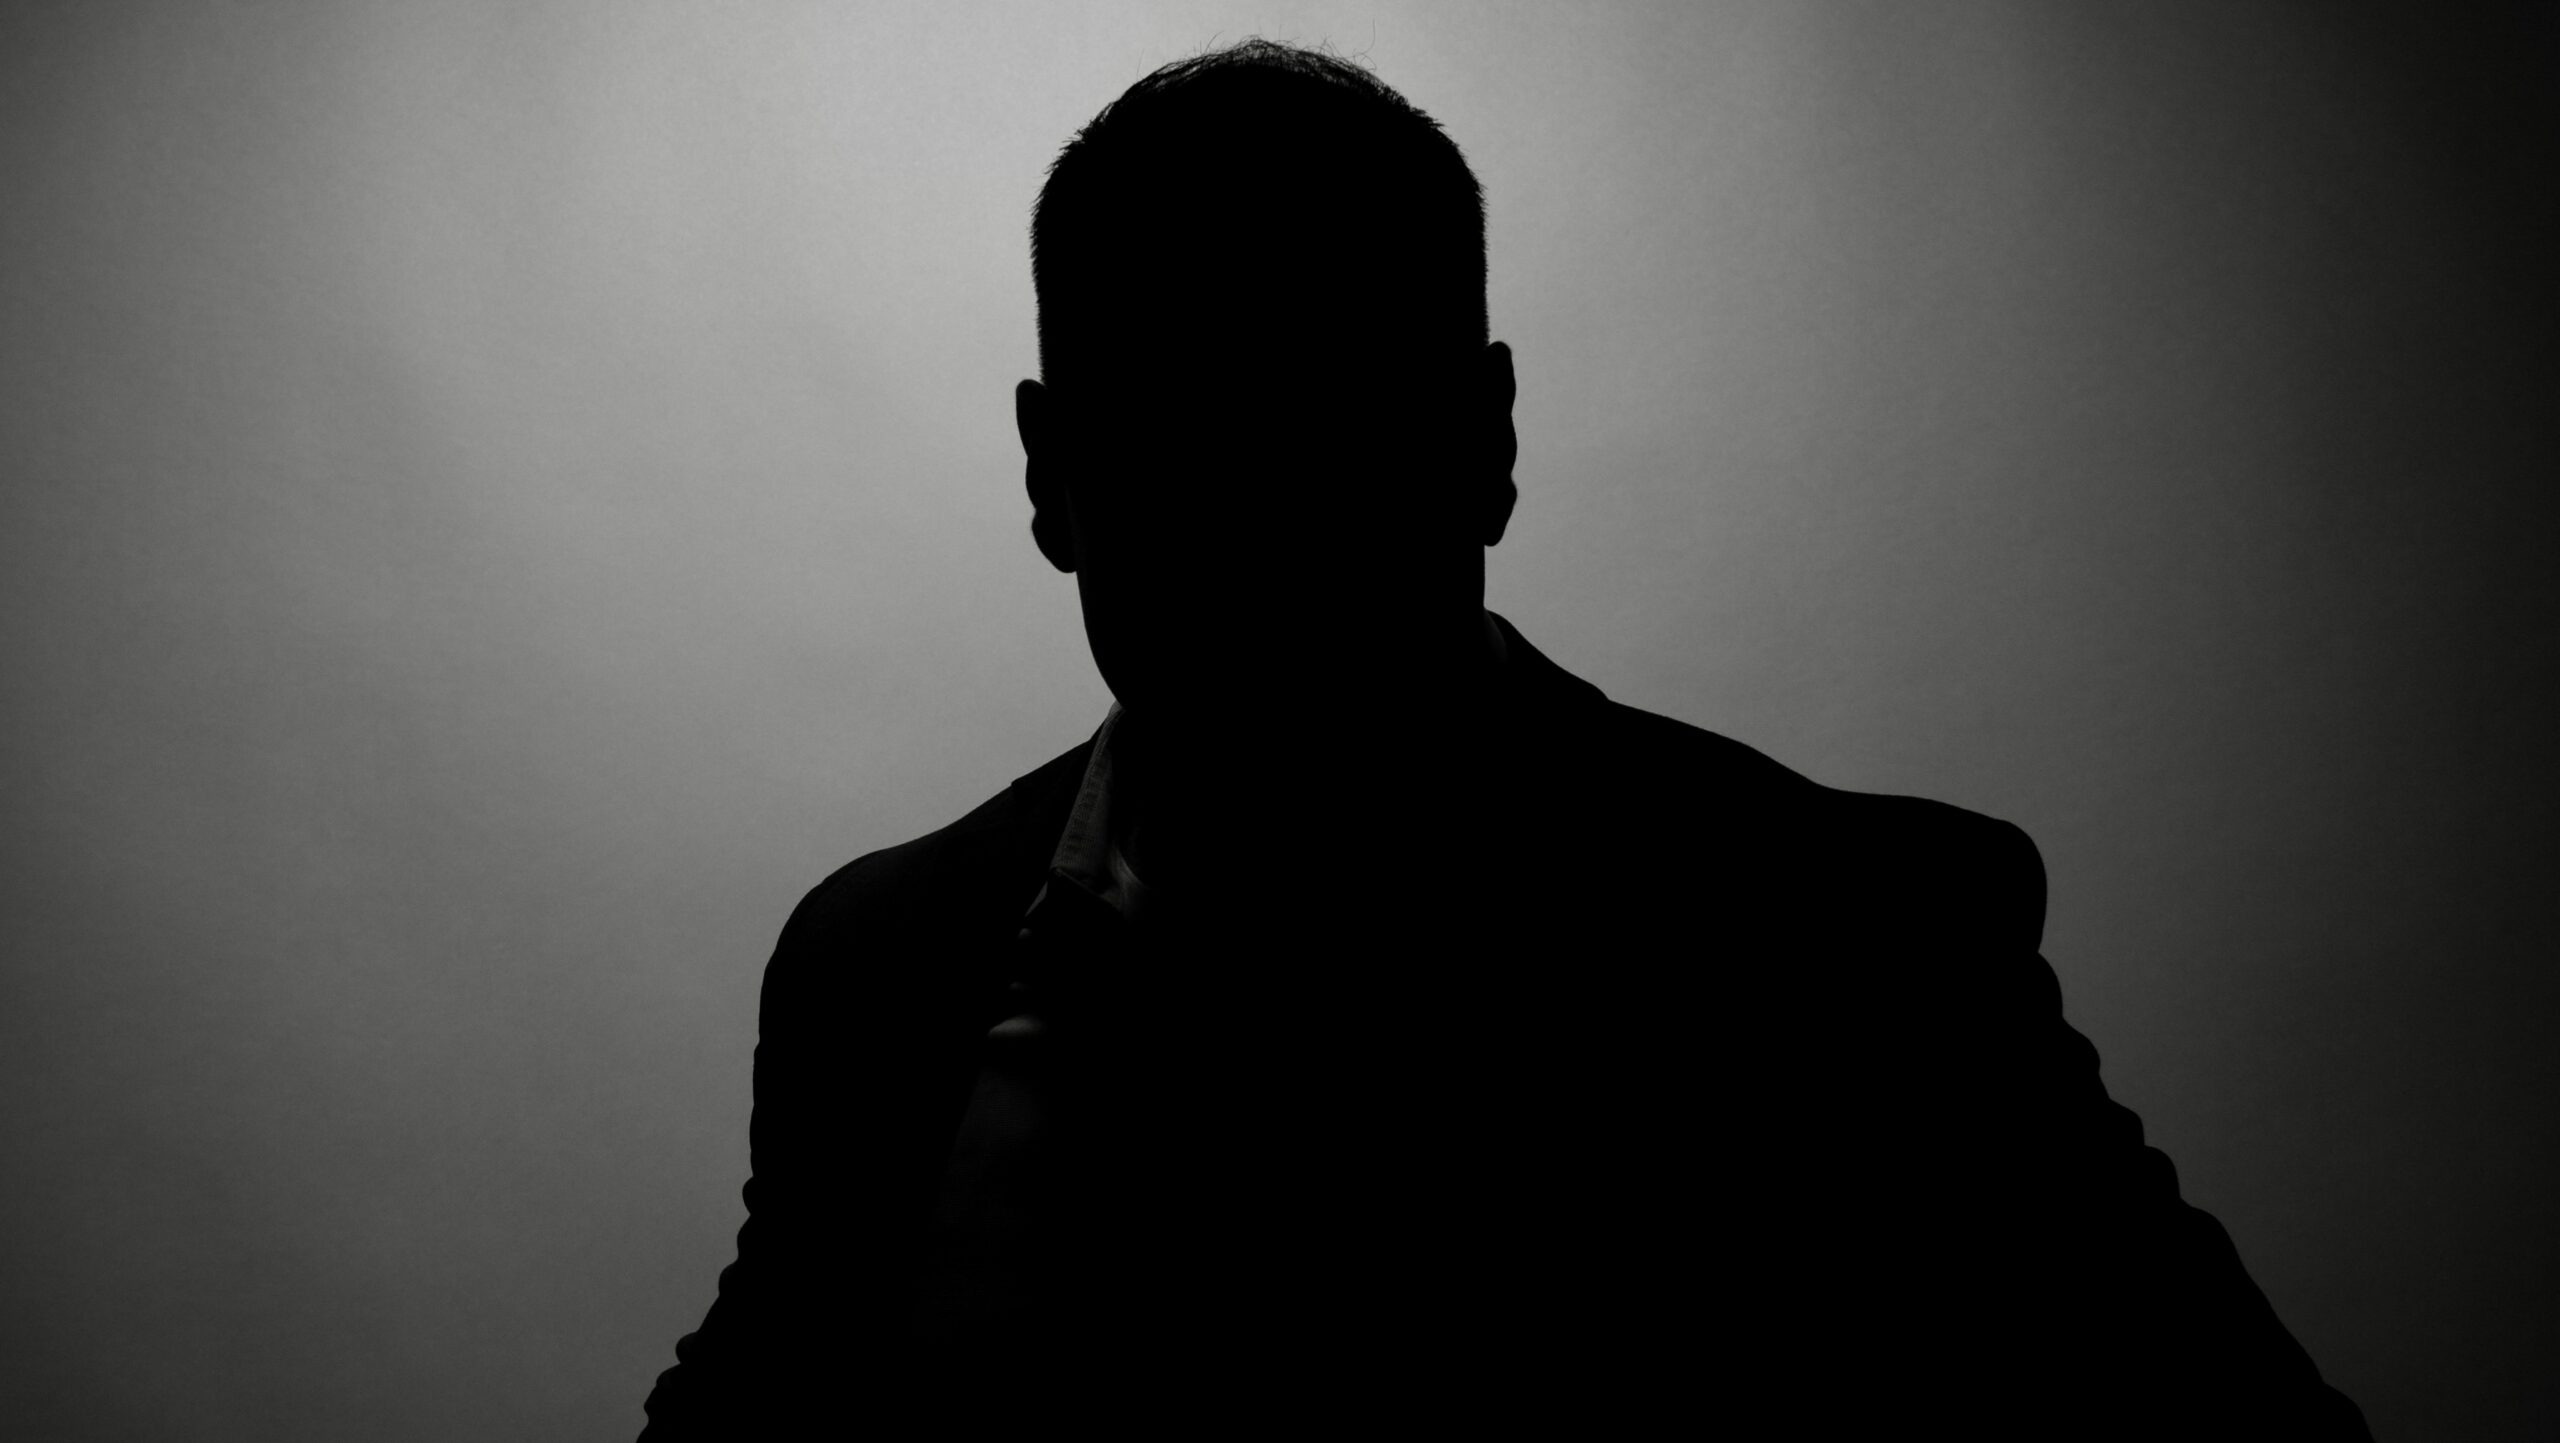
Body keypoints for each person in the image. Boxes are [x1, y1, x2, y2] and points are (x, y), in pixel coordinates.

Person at [640, 39, 2369, 1438]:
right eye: (1187, 433)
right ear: (1049, 477)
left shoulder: (1862, 952)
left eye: (1338, 420)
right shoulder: (875, 972)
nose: (1266, 519)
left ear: (1487, 440)